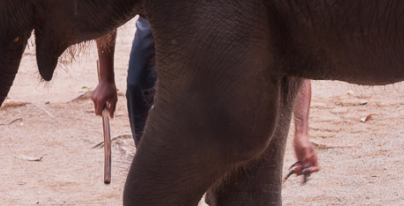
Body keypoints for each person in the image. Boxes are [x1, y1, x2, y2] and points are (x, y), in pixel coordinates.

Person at [91, 22, 320, 179]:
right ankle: (151, 167)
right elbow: (105, 5)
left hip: (213, 24)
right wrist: (106, 78)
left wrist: (302, 131)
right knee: (137, 84)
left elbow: (291, 51)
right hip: (158, 14)